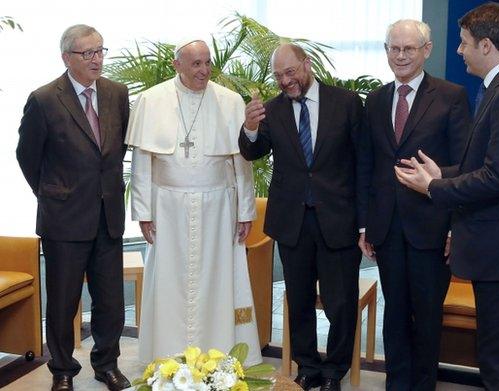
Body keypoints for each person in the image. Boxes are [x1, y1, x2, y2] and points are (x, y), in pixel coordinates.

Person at [394, 4, 499, 390]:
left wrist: (433, 187)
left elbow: (496, 177)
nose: (459, 51)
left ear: (486, 45)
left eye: (465, 44)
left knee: (498, 362)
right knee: (495, 355)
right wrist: (442, 173)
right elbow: (487, 162)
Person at [125, 39, 261, 365]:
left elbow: (241, 161)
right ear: (178, 65)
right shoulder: (151, 100)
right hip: (168, 210)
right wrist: (143, 212)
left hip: (218, 209)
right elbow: (143, 162)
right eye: (196, 64)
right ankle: (168, 355)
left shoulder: (229, 101)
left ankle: (218, 354)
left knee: (218, 281)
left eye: (207, 63)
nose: (204, 70)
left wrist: (245, 210)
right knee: (170, 284)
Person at [239, 43, 362, 391]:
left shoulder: (347, 103)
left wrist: (364, 221)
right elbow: (252, 150)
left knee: (340, 302)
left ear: (307, 64)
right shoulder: (272, 111)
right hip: (293, 221)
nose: (286, 81)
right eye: (278, 76)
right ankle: (307, 366)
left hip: (339, 219)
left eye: (291, 72)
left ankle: (335, 370)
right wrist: (249, 127)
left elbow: (362, 163)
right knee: (299, 298)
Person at [357, 19, 471, 390]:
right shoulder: (374, 100)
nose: (401, 56)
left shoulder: (451, 95)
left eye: (409, 48)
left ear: (427, 50)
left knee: (426, 315)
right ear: (386, 51)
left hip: (431, 226)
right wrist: (364, 225)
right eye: (394, 48)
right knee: (394, 314)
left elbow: (466, 165)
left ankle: (423, 385)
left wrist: (453, 218)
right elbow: (367, 165)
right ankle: (396, 383)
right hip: (386, 228)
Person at [16, 24, 131, 391]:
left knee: (110, 300)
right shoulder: (46, 98)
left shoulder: (116, 93)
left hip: (107, 214)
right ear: (67, 57)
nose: (97, 59)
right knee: (63, 303)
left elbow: (116, 149)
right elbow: (27, 156)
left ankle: (106, 363)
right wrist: (54, 193)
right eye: (88, 53)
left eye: (100, 51)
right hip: (64, 219)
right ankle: (63, 371)